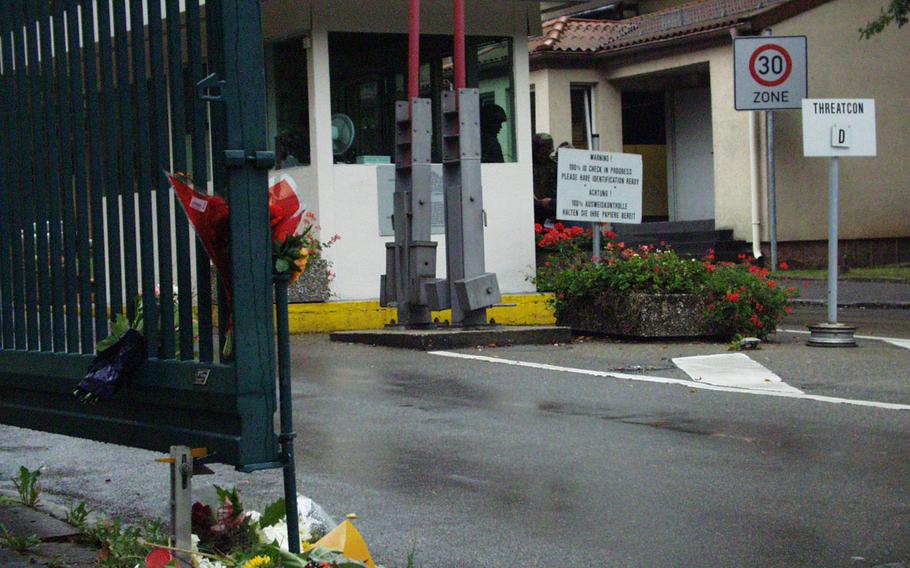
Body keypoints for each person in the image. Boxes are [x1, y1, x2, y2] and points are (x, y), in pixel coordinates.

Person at [532, 133, 557, 225]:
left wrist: (552, 201)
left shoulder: (555, 167)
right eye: (542, 151)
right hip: (532, 212)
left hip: (551, 212)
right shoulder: (527, 167)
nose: (545, 155)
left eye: (548, 151)